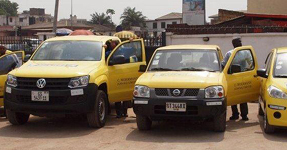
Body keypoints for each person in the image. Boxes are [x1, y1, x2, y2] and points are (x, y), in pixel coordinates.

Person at [222, 37, 249, 121]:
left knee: (242, 97)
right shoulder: (230, 54)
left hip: (239, 77)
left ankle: (241, 115)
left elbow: (223, 64)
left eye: (239, 42)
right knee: (235, 97)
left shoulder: (245, 52)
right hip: (235, 77)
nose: (239, 43)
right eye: (238, 42)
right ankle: (238, 114)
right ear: (234, 44)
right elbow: (223, 64)